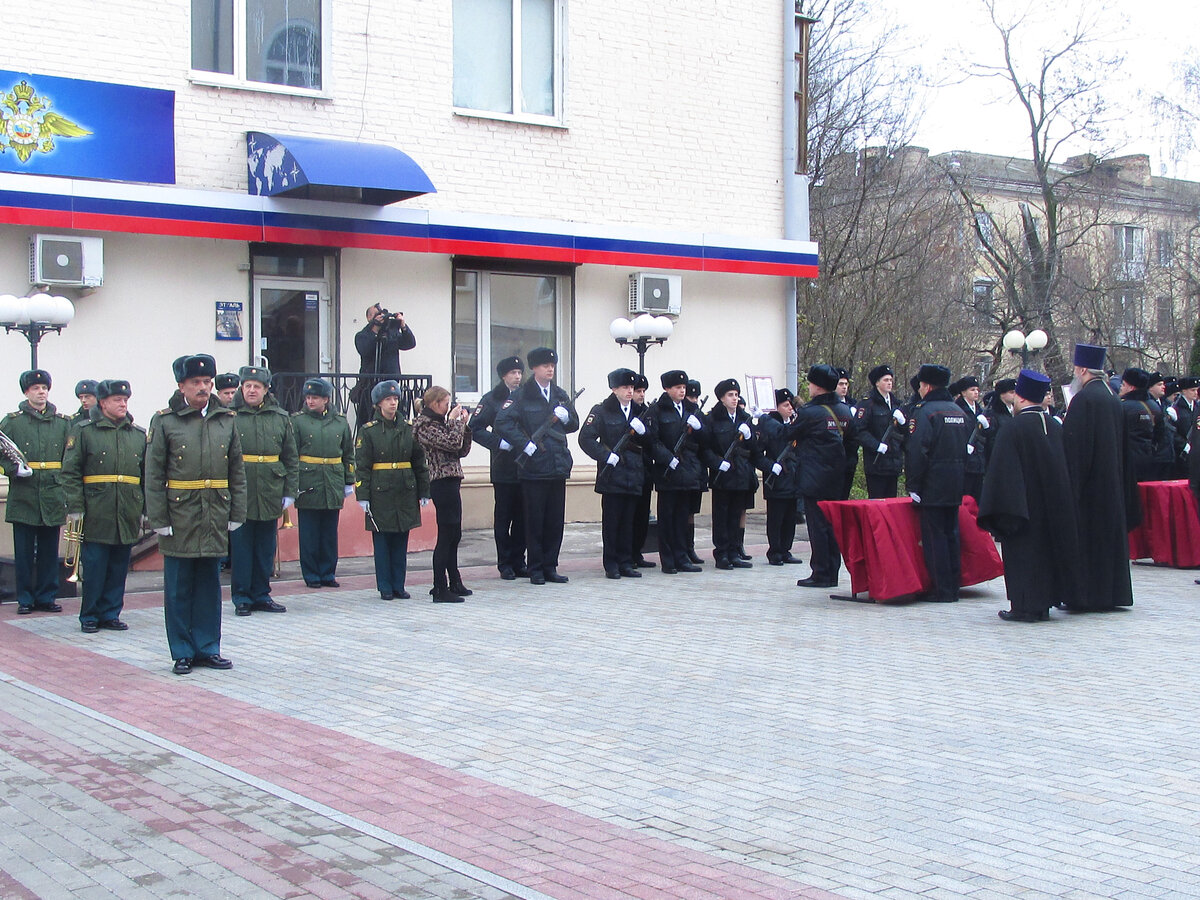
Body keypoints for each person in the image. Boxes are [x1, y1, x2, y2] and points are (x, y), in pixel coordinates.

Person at [145, 354, 246, 675]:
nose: (203, 388)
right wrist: (157, 518)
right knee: (178, 587)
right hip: (180, 513)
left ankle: (207, 647)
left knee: (209, 585)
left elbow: (237, 470)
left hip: (214, 510)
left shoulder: (226, 419)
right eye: (196, 383)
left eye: (207, 382)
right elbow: (153, 473)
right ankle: (182, 650)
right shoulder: (165, 421)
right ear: (181, 386)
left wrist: (236, 510)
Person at [978, 370, 1081, 622]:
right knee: (1047, 556)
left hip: (1021, 510)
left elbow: (1003, 473)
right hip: (1053, 510)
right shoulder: (1054, 427)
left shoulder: (1014, 429)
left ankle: (1024, 607)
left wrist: (1000, 513)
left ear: (1021, 399)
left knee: (1025, 558)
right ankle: (1044, 603)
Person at [61, 379, 146, 633]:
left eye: (125, 400)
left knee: (119, 566)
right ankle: (90, 614)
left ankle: (111, 613)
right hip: (96, 509)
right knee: (95, 566)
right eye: (117, 400)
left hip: (127, 509)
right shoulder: (85, 431)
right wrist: (76, 507)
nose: (123, 404)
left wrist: (144, 510)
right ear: (102, 403)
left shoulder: (138, 434)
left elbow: (145, 475)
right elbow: (70, 472)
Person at [494, 347, 579, 585]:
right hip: (533, 469)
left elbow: (574, 424)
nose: (550, 369)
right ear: (534, 368)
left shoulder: (560, 395)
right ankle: (536, 568)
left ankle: (551, 566)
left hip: (557, 465)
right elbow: (502, 422)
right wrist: (523, 444)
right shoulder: (521, 396)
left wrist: (567, 417)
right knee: (535, 522)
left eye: (552, 365)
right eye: (544, 366)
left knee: (554, 521)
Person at [1060, 343, 1135, 611]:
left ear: (1081, 370)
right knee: (1108, 541)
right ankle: (1110, 594)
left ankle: (1086, 596)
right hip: (1112, 482)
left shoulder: (1084, 400)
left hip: (1089, 486)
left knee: (1089, 541)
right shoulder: (1113, 399)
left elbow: (1075, 448)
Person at [228, 365, 298, 617]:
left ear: (266, 390)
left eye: (257, 386)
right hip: (241, 488)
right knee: (242, 547)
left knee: (265, 547)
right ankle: (242, 597)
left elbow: (290, 456)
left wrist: (290, 489)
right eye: (247, 386)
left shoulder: (280, 417)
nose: (251, 390)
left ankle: (261, 594)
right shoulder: (230, 416)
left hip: (270, 487)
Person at [1, 370, 71, 614]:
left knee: (49, 551)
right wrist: (13, 469)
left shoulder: (63, 422)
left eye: (44, 388)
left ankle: (46, 596)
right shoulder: (12, 422)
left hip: (52, 493)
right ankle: (25, 599)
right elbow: (2, 451)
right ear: (26, 392)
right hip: (25, 493)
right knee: (23, 552)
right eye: (36, 388)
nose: (41, 392)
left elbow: (71, 457)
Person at [354, 380, 430, 600]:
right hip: (381, 491)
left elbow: (419, 461)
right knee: (383, 540)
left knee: (401, 540)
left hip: (405, 489)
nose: (393, 403)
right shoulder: (369, 432)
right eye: (388, 400)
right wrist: (363, 495)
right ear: (378, 404)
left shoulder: (408, 429)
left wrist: (424, 490)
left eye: (395, 399)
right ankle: (385, 585)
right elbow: (363, 465)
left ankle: (399, 584)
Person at [905, 364, 969, 603]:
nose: (920, 390)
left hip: (932, 484)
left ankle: (941, 589)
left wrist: (914, 485)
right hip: (955, 482)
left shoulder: (925, 411)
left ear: (927, 386)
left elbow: (917, 451)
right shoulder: (957, 410)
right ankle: (953, 585)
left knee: (935, 538)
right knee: (952, 534)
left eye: (920, 385)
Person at [579, 368, 652, 578]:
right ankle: (611, 563)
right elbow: (586, 438)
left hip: (634, 474)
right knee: (612, 523)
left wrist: (644, 432)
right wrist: (604, 455)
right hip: (613, 475)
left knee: (629, 522)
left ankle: (625, 561)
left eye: (631, 387)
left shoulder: (640, 411)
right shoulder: (601, 411)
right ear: (614, 389)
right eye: (625, 387)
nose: (630, 391)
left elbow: (651, 442)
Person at [791, 365, 856, 588]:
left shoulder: (809, 413)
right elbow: (851, 443)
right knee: (832, 526)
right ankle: (832, 571)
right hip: (837, 477)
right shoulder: (845, 411)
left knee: (818, 526)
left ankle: (821, 573)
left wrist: (766, 422)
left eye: (810, 383)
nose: (808, 387)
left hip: (814, 476)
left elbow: (787, 434)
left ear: (817, 386)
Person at [468, 357, 528, 580]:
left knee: (523, 518)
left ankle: (519, 561)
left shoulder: (526, 397)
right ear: (503, 376)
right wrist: (498, 443)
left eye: (520, 372)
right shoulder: (492, 399)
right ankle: (505, 563)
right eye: (513, 372)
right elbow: (474, 427)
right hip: (504, 466)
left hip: (526, 467)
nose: (517, 377)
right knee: (504, 518)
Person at [292, 377, 354, 589]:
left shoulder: (339, 422)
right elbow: (292, 454)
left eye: (315, 398)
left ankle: (328, 572)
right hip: (308, 480)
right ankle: (311, 574)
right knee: (309, 533)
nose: (310, 401)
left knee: (328, 533)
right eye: (308, 397)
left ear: (326, 399)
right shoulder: (297, 421)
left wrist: (349, 480)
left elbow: (348, 453)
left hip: (333, 480)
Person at [413, 385, 473, 602]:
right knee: (446, 535)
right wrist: (456, 423)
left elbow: (461, 450)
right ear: (434, 404)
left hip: (452, 479)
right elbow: (450, 442)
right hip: (440, 481)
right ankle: (440, 587)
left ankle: (454, 580)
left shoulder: (441, 423)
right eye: (445, 403)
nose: (448, 407)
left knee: (455, 534)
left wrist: (463, 426)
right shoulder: (425, 426)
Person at [647, 369, 705, 574]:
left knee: (682, 518)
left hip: (687, 471)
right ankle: (668, 560)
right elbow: (652, 441)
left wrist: (699, 428)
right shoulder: (657, 410)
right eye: (678, 387)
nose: (682, 391)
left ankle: (682, 557)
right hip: (668, 472)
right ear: (667, 388)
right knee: (668, 518)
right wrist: (667, 458)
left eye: (684, 387)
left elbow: (704, 441)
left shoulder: (691, 409)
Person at [702, 378, 762, 570]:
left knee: (736, 514)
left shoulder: (744, 418)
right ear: (721, 398)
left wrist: (750, 435)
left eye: (736, 395)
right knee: (722, 515)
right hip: (722, 476)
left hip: (741, 474)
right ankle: (722, 554)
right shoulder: (713, 419)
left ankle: (735, 552)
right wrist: (717, 463)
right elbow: (705, 448)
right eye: (730, 395)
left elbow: (754, 449)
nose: (734, 399)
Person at [758, 388, 803, 565]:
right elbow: (757, 453)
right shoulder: (768, 425)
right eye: (785, 405)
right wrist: (770, 466)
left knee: (790, 518)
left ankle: (786, 550)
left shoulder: (794, 425)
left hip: (793, 478)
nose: (790, 408)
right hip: (776, 480)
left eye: (791, 404)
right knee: (776, 519)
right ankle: (775, 551)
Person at [353, 304, 416, 426]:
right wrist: (374, 329)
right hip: (369, 387)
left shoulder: (391, 334)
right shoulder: (363, 335)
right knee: (368, 422)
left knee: (394, 421)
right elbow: (365, 350)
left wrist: (402, 325)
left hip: (391, 382)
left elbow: (410, 343)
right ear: (369, 317)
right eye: (377, 315)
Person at [854, 365, 904, 499]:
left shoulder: (896, 403)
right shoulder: (868, 404)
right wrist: (876, 445)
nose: (889, 383)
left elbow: (905, 432)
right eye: (885, 380)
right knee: (877, 502)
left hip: (893, 463)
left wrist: (903, 422)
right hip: (876, 463)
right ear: (877, 383)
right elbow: (859, 431)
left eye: (890, 380)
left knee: (891, 504)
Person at [629, 373, 656, 569]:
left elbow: (653, 440)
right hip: (628, 470)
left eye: (643, 391)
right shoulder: (626, 411)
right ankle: (627, 553)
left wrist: (644, 432)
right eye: (638, 391)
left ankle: (637, 552)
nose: (640, 395)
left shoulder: (648, 413)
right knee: (629, 515)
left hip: (645, 470)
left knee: (641, 516)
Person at [1118, 367, 1158, 486]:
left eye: (1123, 384)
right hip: (1150, 459)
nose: (1121, 387)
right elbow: (1160, 434)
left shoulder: (1123, 407)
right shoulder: (1154, 406)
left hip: (1126, 461)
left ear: (1131, 387)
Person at [953, 375, 989, 500]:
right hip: (965, 463)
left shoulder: (980, 410)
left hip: (978, 461)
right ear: (963, 392)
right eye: (972, 390)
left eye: (977, 390)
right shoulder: (957, 409)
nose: (976, 393)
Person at [683, 378, 708, 561]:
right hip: (682, 468)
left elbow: (708, 440)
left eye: (696, 397)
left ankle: (690, 548)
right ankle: (683, 548)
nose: (694, 400)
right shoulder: (682, 414)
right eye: (691, 396)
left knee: (691, 512)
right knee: (683, 512)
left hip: (697, 470)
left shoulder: (700, 416)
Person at [835, 369, 858, 500]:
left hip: (849, 456)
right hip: (835, 456)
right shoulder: (830, 405)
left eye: (846, 384)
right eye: (840, 384)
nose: (844, 387)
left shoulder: (854, 405)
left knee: (845, 494)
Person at [1172, 376, 1200, 479]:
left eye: (1197, 390)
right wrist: (1184, 445)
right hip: (1181, 455)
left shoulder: (1197, 407)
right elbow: (1172, 432)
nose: (1195, 393)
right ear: (1184, 391)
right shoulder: (1175, 408)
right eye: (1192, 390)